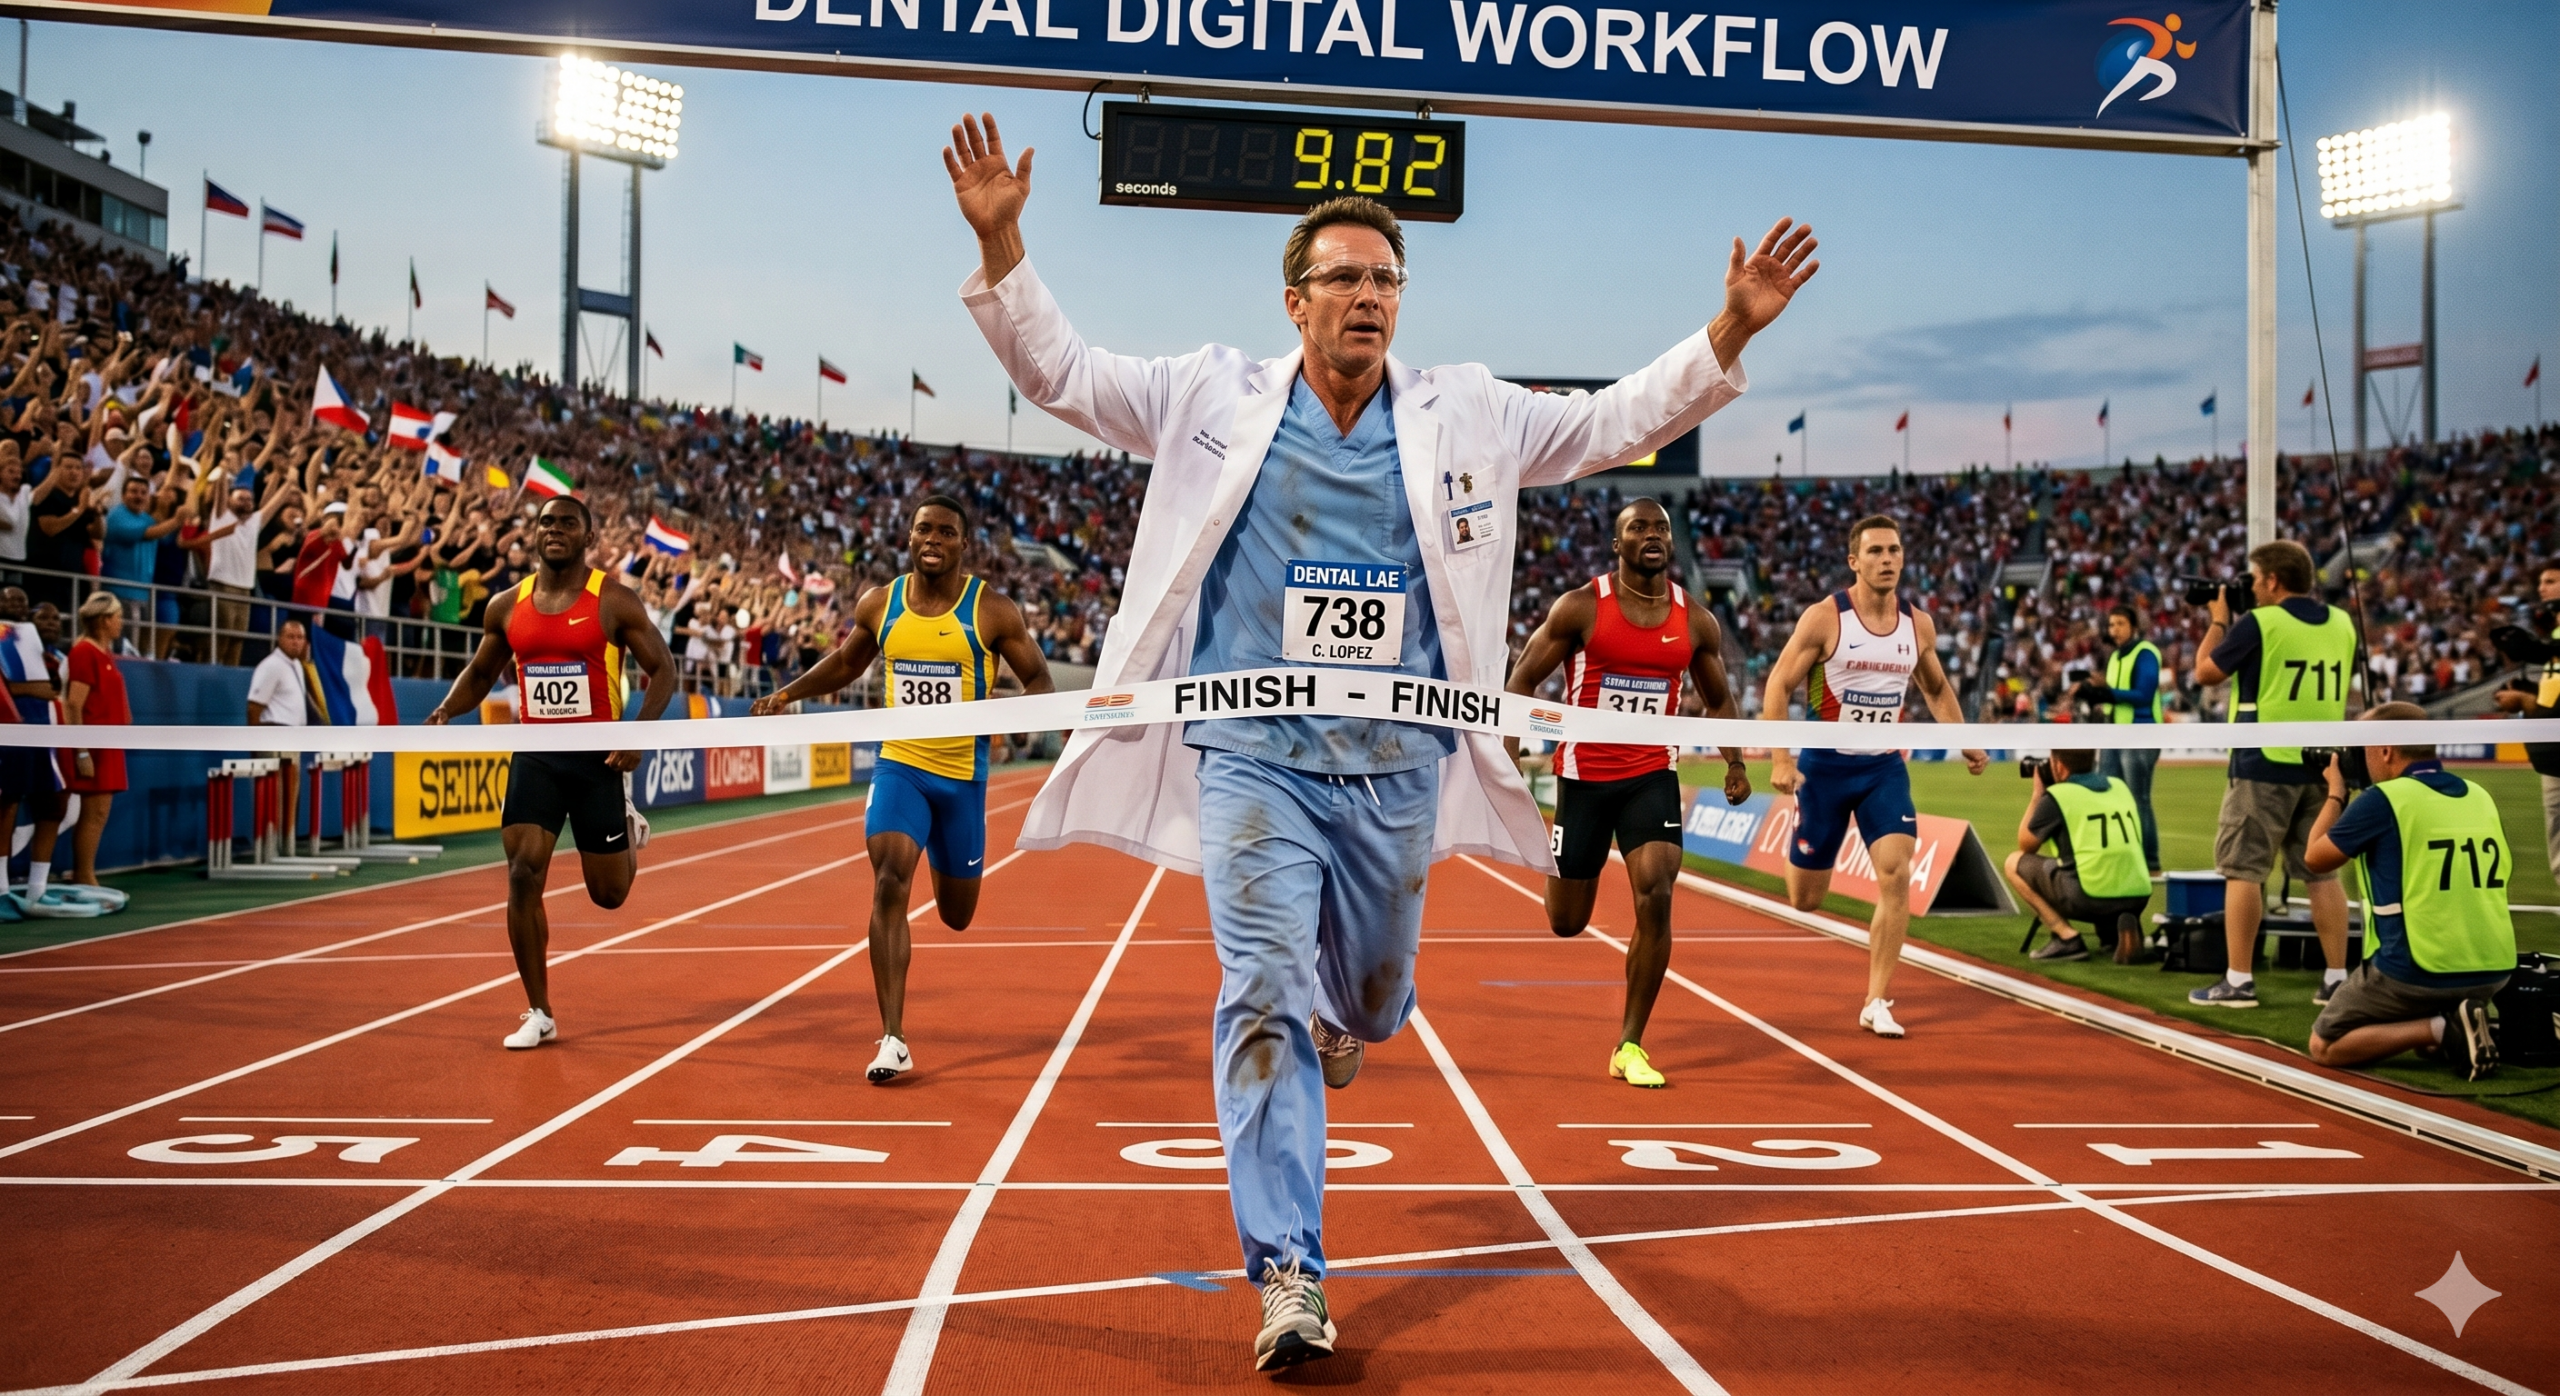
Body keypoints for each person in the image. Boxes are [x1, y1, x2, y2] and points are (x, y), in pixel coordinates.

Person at [946, 111, 1810, 1369]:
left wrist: (1725, 333)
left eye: (1386, 279)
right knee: (1255, 993)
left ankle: (1351, 1003)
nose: (1369, 295)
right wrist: (1007, 243)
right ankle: (1289, 1271)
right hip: (1251, 760)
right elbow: (1064, 375)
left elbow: (1616, 416)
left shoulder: (1470, 413)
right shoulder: (1206, 394)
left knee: (1369, 997)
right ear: (1293, 300)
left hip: (1399, 770)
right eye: (1345, 276)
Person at [749, 494, 1055, 1084]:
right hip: (901, 767)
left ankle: (949, 880)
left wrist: (1011, 717)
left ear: (964, 543)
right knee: (889, 875)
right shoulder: (880, 603)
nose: (932, 540)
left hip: (962, 780)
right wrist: (789, 692)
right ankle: (893, 1037)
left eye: (945, 531)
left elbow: (1039, 677)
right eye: (922, 530)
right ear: (909, 537)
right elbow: (845, 663)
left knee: (957, 913)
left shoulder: (991, 611)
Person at [1502, 496, 1750, 1087]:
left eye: (1661, 527)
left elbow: (1717, 700)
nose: (1653, 535)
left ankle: (1630, 1043)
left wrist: (1735, 762)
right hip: (1584, 779)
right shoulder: (1581, 608)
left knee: (1657, 889)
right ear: (1619, 544)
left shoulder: (1694, 621)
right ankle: (1568, 872)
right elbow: (1522, 680)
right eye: (1638, 527)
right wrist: (1507, 758)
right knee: (1567, 921)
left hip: (1650, 775)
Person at [426, 495, 679, 1050]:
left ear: (587, 538)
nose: (555, 530)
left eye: (568, 522)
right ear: (534, 534)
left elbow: (664, 669)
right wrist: (448, 707)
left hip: (597, 759)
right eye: (546, 522)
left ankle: (625, 819)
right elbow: (481, 671)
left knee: (609, 895)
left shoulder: (612, 599)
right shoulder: (505, 606)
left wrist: (636, 732)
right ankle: (538, 1010)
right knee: (521, 872)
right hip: (536, 754)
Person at [1761, 516, 1989, 1038]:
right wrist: (1781, 758)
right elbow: (1779, 684)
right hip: (1824, 767)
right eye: (1876, 552)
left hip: (1883, 768)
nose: (1887, 559)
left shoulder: (1919, 625)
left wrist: (1966, 740)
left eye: (1894, 551)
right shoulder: (1825, 619)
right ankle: (1803, 837)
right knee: (1805, 899)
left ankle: (1877, 999)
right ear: (1854, 561)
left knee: (1895, 871)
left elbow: (1934, 689)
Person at [2301, 703, 2515, 1080]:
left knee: (2325, 1045)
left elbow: (2315, 858)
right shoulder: (2478, 794)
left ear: (2385, 750)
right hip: (2493, 970)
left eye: (2363, 749)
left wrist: (2336, 794)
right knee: (2425, 1045)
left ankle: (2441, 1027)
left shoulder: (2384, 800)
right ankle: (2462, 1022)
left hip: (2416, 969)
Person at [2188, 540, 2359, 1010]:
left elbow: (2205, 672)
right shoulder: (2343, 622)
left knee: (2243, 870)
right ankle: (2336, 978)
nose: (2253, 587)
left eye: (2256, 578)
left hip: (2264, 762)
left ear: (2272, 580)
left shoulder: (2261, 623)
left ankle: (2238, 980)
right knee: (2322, 873)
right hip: (2324, 766)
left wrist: (2219, 619)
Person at [2007, 749, 2156, 965]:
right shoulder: (2119, 787)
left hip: (2088, 896)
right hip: (2137, 895)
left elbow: (2026, 844)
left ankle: (2066, 937)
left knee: (2013, 862)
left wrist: (2037, 796)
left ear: (2059, 766)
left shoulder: (2060, 797)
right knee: (2098, 862)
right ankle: (2114, 933)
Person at [2074, 603, 2165, 875]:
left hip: (2140, 733)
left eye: (2120, 624)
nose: (2114, 630)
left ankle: (2151, 863)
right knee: (2106, 794)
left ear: (2134, 627)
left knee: (2138, 799)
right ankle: (2119, 853)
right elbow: (2115, 695)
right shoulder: (2114, 657)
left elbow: (2144, 696)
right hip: (2115, 732)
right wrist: (2098, 694)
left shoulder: (2146, 652)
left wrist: (2108, 694)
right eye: (2111, 625)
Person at [2489, 559, 2560, 883]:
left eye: (2551, 581)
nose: (2542, 587)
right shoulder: (2554, 639)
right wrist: (2529, 693)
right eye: (2542, 581)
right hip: (2552, 759)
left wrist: (2525, 701)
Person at [60, 592, 130, 887]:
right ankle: (83, 875)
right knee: (94, 811)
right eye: (117, 617)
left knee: (100, 812)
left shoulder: (104, 653)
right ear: (104, 620)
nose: (121, 623)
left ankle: (85, 872)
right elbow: (74, 704)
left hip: (109, 743)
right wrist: (81, 751)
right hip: (94, 744)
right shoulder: (84, 653)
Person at [247, 618, 315, 851]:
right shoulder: (271, 666)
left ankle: (287, 846)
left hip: (292, 737)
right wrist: (256, 745)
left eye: (300, 638)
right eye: (290, 637)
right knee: (273, 796)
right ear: (279, 638)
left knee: (290, 795)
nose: (296, 642)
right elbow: (254, 707)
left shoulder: (296, 665)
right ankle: (268, 847)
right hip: (274, 734)